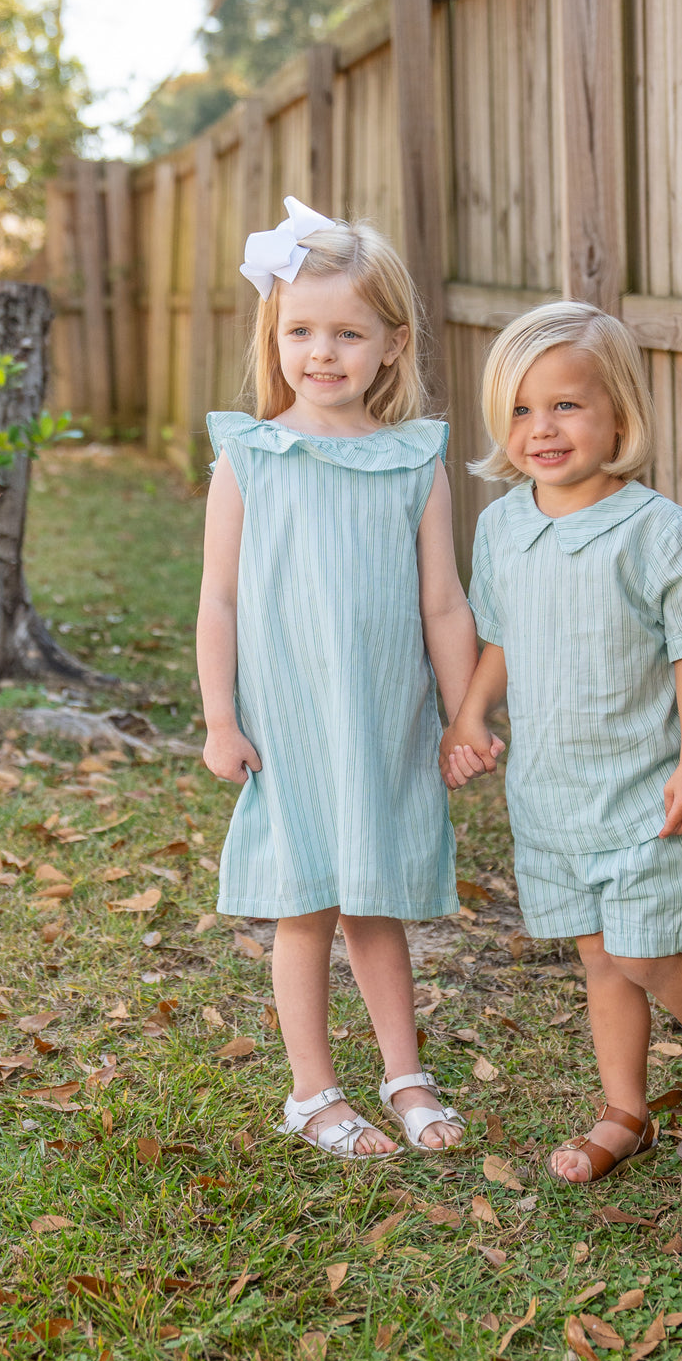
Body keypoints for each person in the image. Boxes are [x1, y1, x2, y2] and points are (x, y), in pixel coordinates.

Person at [440, 301, 682, 1184]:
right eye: (522, 409)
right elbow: (503, 641)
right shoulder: (503, 527)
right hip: (552, 797)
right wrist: (472, 714)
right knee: (601, 958)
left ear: (618, 416)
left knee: (646, 951)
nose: (542, 428)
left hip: (642, 790)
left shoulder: (652, 528)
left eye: (566, 405)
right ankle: (624, 1110)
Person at [197, 197, 477, 1159]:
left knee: (377, 899)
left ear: (392, 344)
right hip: (289, 720)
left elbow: (443, 603)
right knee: (307, 903)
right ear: (275, 336)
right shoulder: (251, 457)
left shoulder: (414, 462)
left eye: (348, 333)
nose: (323, 352)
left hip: (384, 717)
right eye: (302, 331)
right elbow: (220, 602)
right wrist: (219, 719)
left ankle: (405, 1074)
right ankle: (312, 1090)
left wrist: (463, 713)